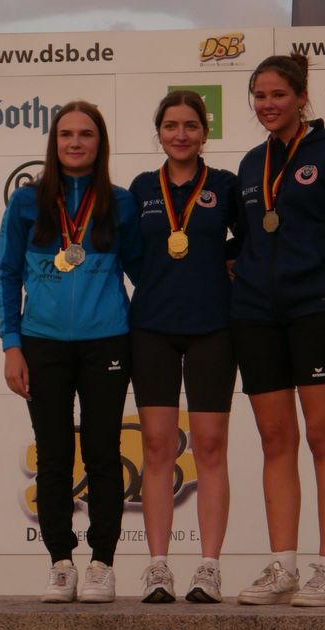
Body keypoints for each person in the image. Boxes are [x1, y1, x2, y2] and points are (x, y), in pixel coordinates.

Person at [231, 54, 325, 606]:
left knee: (322, 436)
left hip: (318, 311)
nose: (268, 105)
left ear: (302, 97)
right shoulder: (250, 164)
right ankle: (283, 566)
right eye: (260, 96)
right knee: (275, 440)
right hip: (256, 316)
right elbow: (246, 237)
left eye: (278, 95)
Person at [0, 100, 142, 603]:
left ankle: (102, 563)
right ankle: (61, 562)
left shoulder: (120, 203)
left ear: (100, 143)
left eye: (86, 134)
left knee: (103, 453)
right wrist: (12, 345)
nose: (75, 142)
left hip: (108, 341)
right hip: (42, 343)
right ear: (53, 143)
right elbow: (7, 275)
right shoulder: (27, 202)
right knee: (54, 456)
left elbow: (144, 271)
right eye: (66, 134)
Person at [129, 90, 238, 603]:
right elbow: (131, 252)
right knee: (158, 447)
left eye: (190, 125)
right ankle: (158, 567)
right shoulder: (141, 188)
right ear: (159, 132)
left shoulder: (225, 185)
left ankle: (209, 567)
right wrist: (158, 281)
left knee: (210, 446)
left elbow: (251, 241)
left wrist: (225, 264)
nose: (180, 134)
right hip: (151, 327)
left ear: (204, 132)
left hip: (214, 327)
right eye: (171, 125)